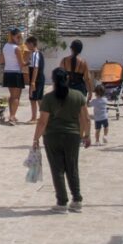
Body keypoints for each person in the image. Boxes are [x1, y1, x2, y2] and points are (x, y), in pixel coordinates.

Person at [32, 68, 90, 213]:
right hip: (72, 136)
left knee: (57, 169)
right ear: (68, 79)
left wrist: (36, 138)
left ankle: (62, 201)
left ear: (53, 80)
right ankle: (77, 199)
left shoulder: (48, 98)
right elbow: (86, 118)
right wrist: (85, 135)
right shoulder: (78, 96)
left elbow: (43, 122)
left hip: (52, 136)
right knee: (72, 167)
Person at [0, 29, 28, 125]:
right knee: (16, 97)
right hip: (16, 73)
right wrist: (28, 61)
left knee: (12, 96)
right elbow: (21, 64)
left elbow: (1, 60)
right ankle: (12, 117)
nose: (20, 38)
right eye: (18, 36)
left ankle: (12, 115)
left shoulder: (5, 46)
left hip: (7, 72)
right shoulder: (17, 48)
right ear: (13, 36)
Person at [25, 36, 46, 122]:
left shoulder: (35, 54)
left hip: (36, 79)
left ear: (31, 44)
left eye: (27, 44)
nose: (26, 46)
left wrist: (33, 82)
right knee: (39, 98)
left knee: (33, 98)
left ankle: (34, 118)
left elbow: (35, 68)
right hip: (40, 78)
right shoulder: (38, 53)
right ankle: (43, 117)